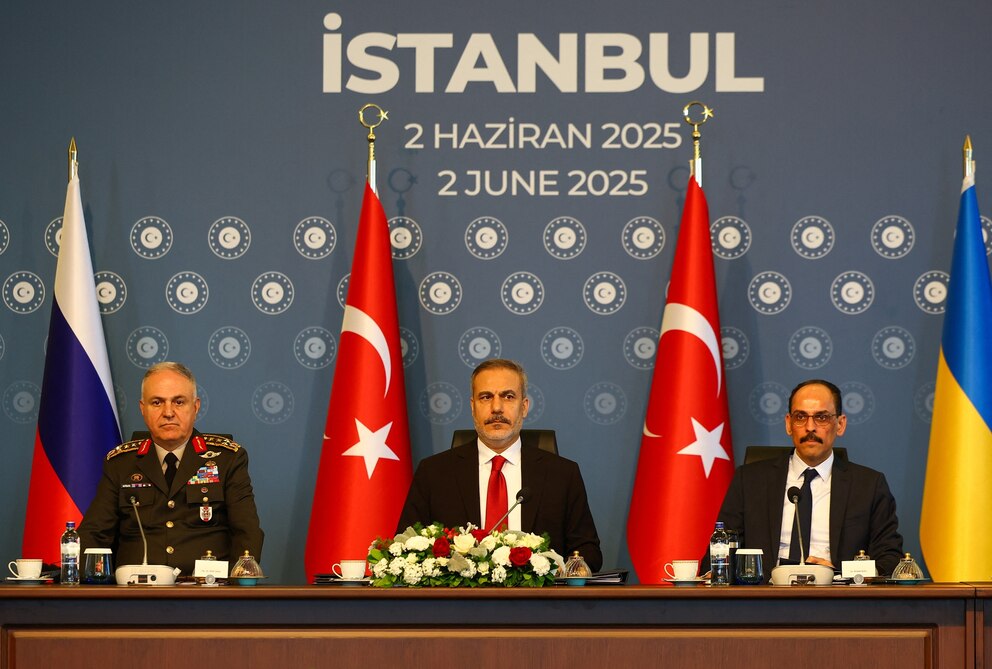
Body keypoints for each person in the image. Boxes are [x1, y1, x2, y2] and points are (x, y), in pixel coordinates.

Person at [397, 358, 603, 572]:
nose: (496, 408)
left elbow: (588, 552)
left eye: (508, 396)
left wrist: (558, 569)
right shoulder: (434, 473)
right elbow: (405, 547)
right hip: (457, 603)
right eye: (485, 397)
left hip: (541, 603)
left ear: (524, 407)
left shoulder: (562, 475)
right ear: (472, 407)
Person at [79, 361, 264, 576]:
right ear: (142, 409)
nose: (168, 412)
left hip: (209, 594)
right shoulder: (120, 463)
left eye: (178, 402)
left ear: (195, 407)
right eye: (157, 402)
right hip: (134, 596)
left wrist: (236, 591)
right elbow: (94, 534)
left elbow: (247, 533)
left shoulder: (227, 460)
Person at [715, 379, 903, 579]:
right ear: (789, 424)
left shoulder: (868, 486)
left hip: (840, 601)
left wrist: (838, 574)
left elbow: (890, 559)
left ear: (840, 424)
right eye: (800, 417)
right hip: (763, 600)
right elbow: (719, 553)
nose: (810, 427)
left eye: (822, 417)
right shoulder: (750, 481)